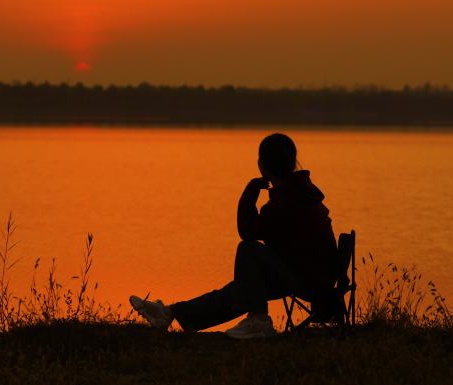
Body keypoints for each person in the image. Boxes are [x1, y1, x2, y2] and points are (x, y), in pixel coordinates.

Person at [129, 133, 338, 339]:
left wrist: (250, 192)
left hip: (309, 281)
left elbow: (248, 232)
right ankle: (170, 314)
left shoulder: (284, 203)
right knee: (243, 288)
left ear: (262, 165)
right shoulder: (302, 193)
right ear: (293, 163)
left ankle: (258, 321)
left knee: (248, 250)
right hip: (315, 277)